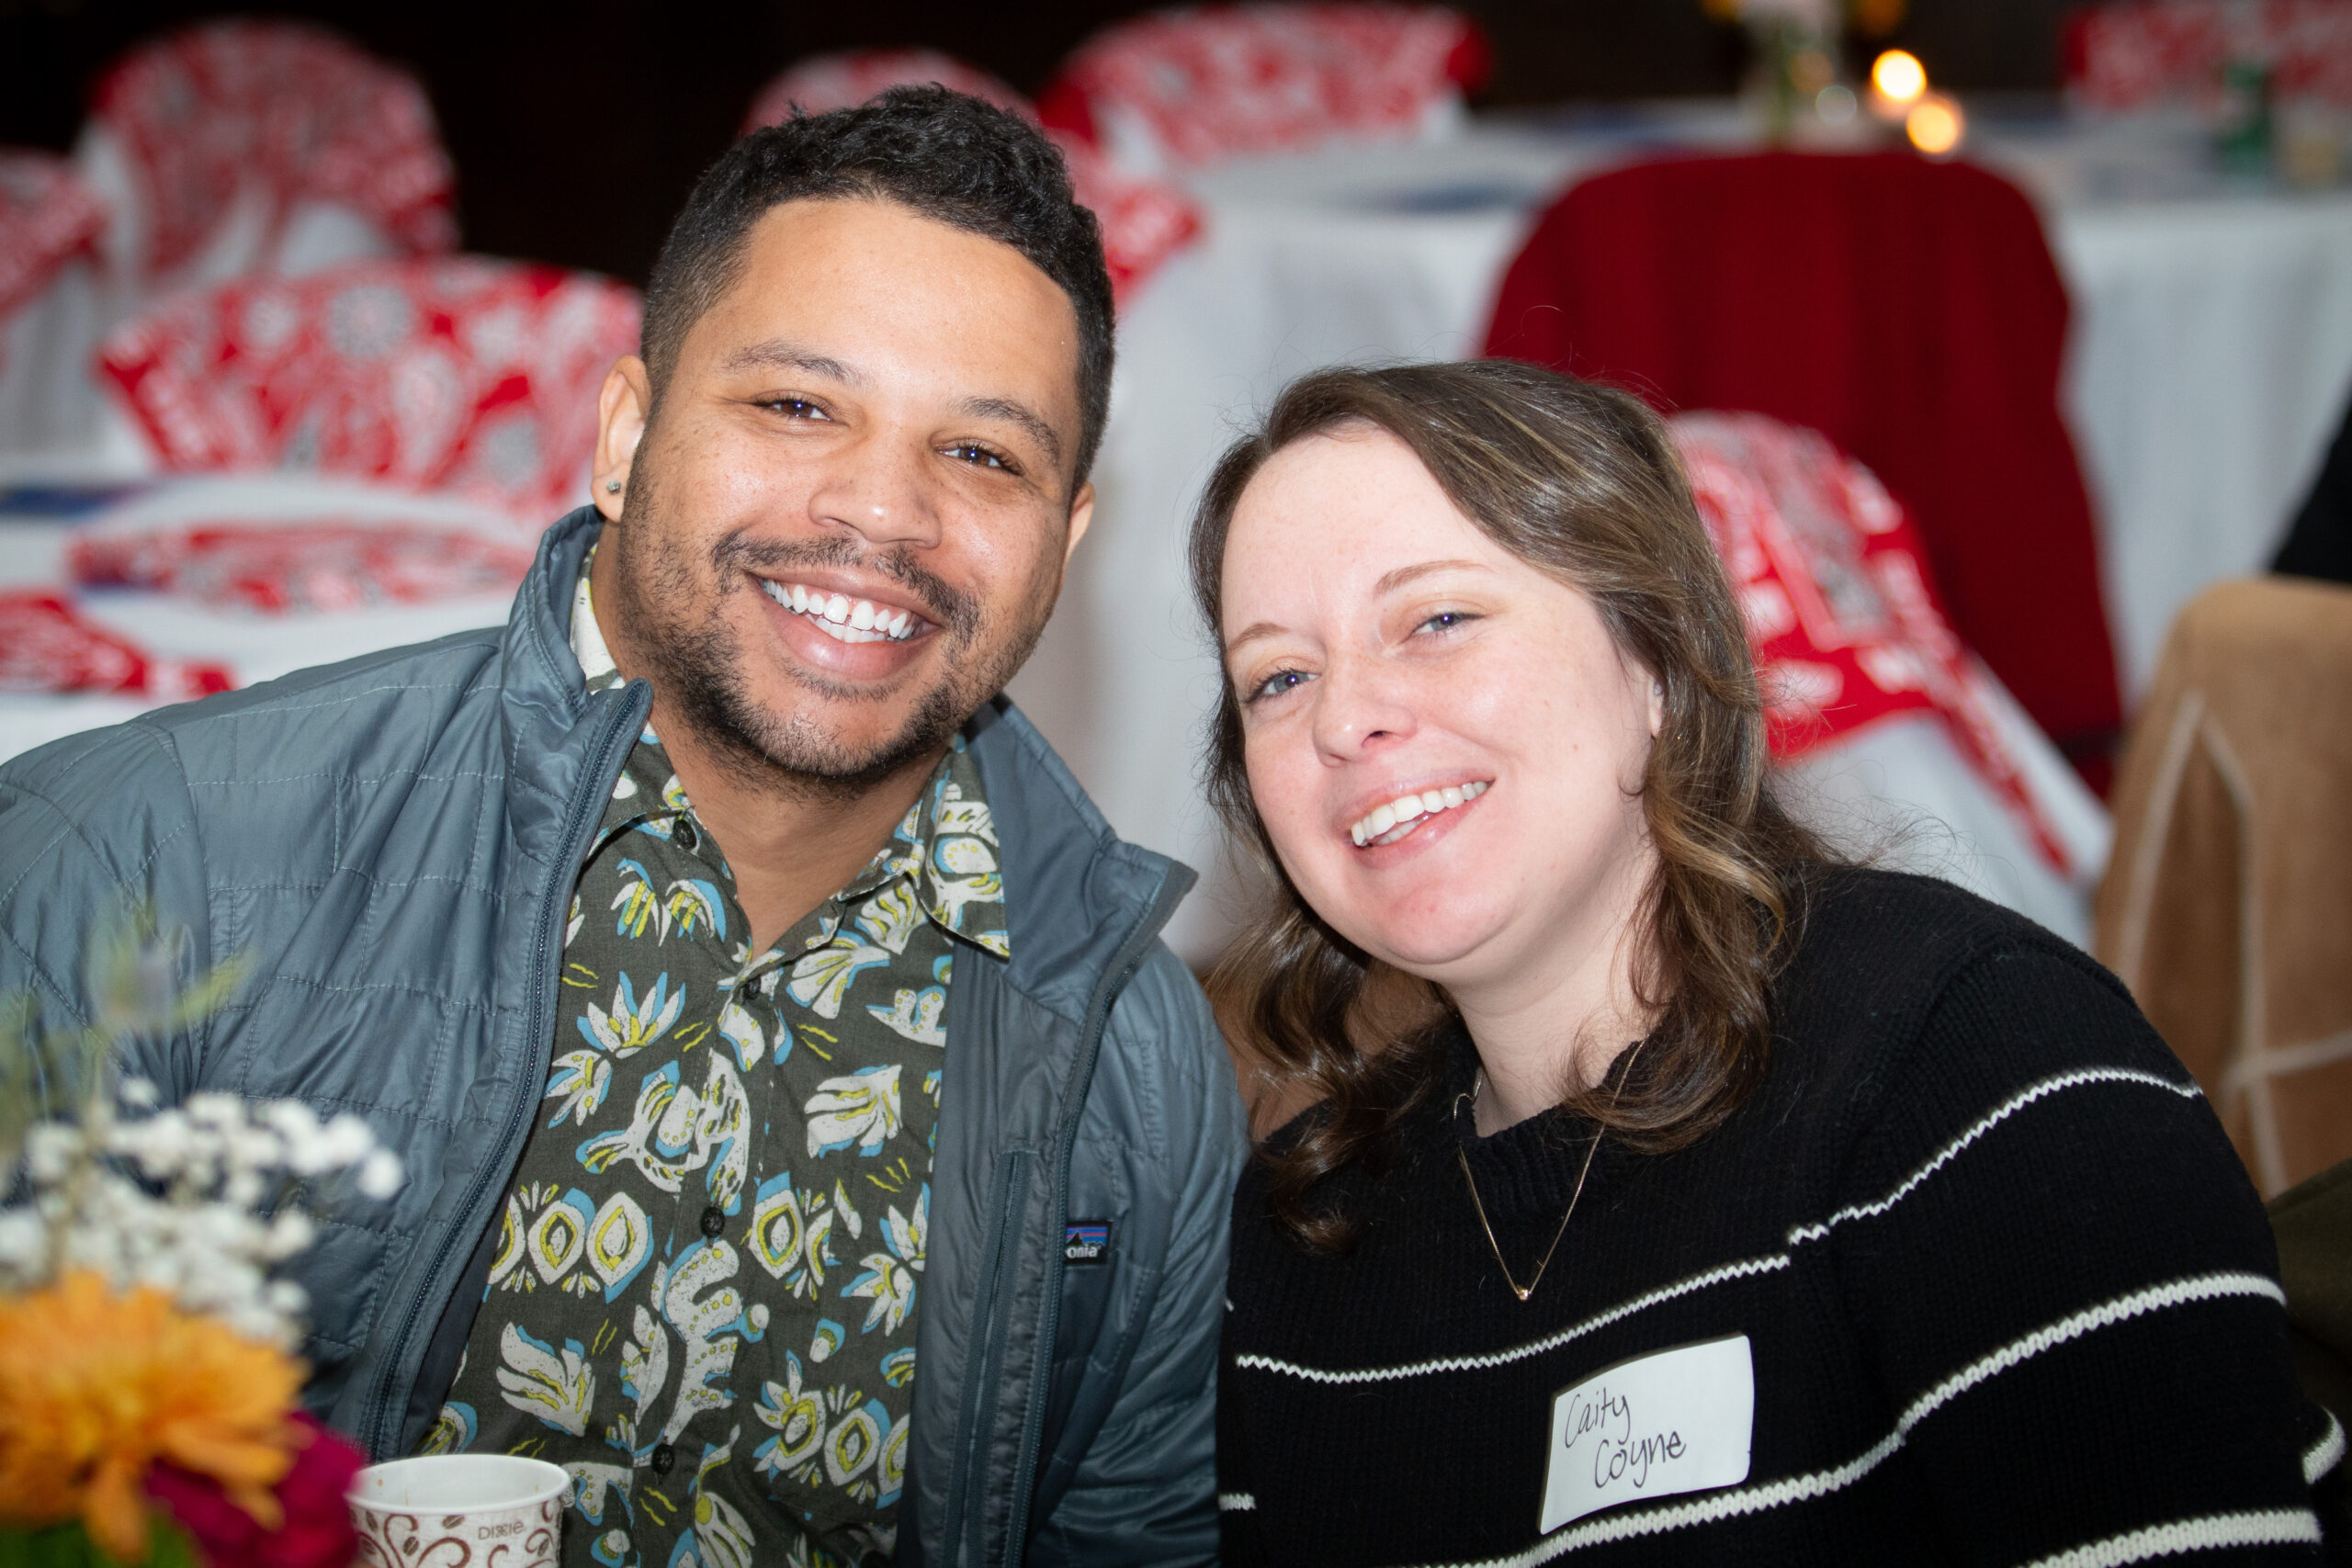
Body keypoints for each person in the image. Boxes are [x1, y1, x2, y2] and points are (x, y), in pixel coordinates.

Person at [0, 88, 1243, 1567]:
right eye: (798, 406)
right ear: (625, 434)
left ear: (1065, 542)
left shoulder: (1133, 1060)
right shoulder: (151, 869)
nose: (883, 513)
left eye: (983, 456)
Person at [1193, 360, 2345, 1564]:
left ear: (1654, 658)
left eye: (1435, 619)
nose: (1344, 720)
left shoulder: (1977, 1071)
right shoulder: (1309, 1242)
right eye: (1278, 677)